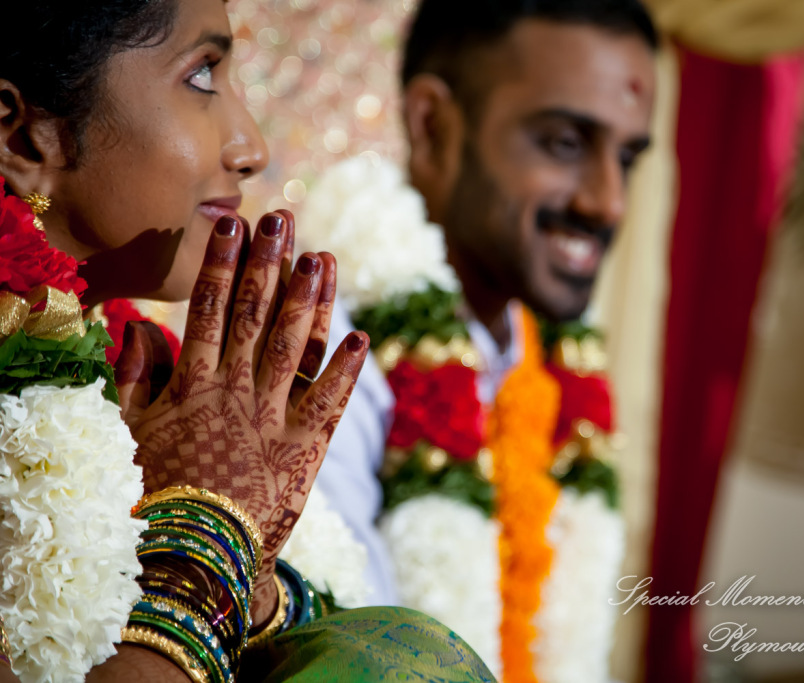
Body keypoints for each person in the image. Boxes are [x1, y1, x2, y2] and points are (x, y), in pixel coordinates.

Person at [0, 1, 495, 681]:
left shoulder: (121, 372)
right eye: (202, 76)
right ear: (23, 137)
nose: (252, 147)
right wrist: (198, 547)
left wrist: (255, 588)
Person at [313, 0, 657, 677]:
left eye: (627, 157)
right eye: (564, 143)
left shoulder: (549, 364)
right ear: (432, 125)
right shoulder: (326, 361)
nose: (609, 201)